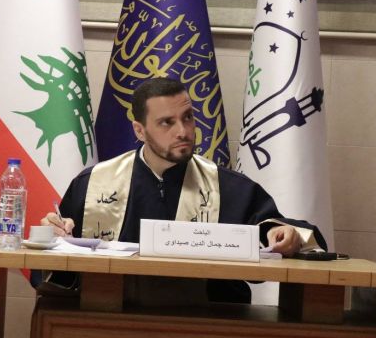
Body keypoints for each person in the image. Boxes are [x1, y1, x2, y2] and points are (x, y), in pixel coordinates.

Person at [38, 77, 326, 303]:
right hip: (109, 324)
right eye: (167, 122)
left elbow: (285, 232)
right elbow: (56, 276)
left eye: (187, 117)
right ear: (139, 130)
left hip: (207, 330)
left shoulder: (228, 188)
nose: (183, 131)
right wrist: (54, 238)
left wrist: (286, 235)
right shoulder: (92, 184)